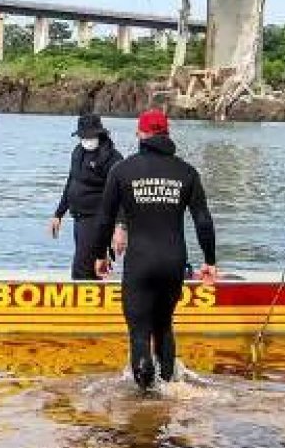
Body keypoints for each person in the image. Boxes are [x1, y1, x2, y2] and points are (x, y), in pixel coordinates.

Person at [91, 109, 216, 392]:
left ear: (140, 134)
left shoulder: (122, 170)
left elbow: (104, 218)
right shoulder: (187, 172)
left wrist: (100, 255)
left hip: (140, 262)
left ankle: (145, 395)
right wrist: (210, 261)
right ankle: (169, 390)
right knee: (163, 326)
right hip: (173, 262)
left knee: (139, 333)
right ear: (167, 134)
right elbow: (204, 221)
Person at [49, 113, 124, 280]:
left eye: (89, 136)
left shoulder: (113, 158)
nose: (86, 139)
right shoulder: (78, 152)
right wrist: (59, 213)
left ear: (100, 133)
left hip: (97, 219)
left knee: (82, 268)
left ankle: (84, 300)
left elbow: (121, 195)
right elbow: (71, 182)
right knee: (87, 264)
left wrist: (119, 226)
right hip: (79, 217)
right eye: (83, 136)